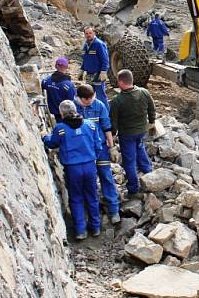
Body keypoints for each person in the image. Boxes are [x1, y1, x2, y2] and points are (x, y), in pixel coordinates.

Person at [43, 100, 101, 240]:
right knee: (92, 196)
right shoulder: (90, 125)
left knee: (76, 198)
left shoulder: (61, 128)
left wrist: (45, 136)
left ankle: (80, 230)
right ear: (76, 110)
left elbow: (52, 143)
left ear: (62, 114)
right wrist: (92, 158)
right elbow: (98, 146)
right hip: (89, 166)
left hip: (72, 168)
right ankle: (95, 227)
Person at [75, 84, 121, 224]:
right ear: (80, 98)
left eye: (92, 98)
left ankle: (114, 210)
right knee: (87, 180)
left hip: (100, 148)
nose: (90, 101)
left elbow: (107, 127)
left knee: (106, 176)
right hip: (83, 150)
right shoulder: (74, 107)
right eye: (87, 100)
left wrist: (112, 147)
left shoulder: (99, 105)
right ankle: (91, 213)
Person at [109, 69, 156, 196]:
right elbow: (152, 109)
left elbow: (113, 123)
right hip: (142, 130)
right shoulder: (144, 92)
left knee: (129, 161)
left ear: (121, 82)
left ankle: (133, 188)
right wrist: (152, 122)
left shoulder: (117, 101)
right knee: (140, 147)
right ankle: (149, 173)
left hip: (127, 134)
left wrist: (112, 137)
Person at [80, 26, 110, 107]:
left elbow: (105, 59)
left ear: (94, 33)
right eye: (86, 33)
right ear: (84, 35)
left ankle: (106, 115)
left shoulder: (99, 44)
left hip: (98, 75)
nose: (88, 35)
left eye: (90, 33)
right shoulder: (86, 45)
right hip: (89, 74)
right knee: (89, 95)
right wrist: (82, 70)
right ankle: (93, 112)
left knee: (101, 96)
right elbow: (85, 59)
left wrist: (104, 71)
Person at [41, 57, 77, 122]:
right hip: (66, 114)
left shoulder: (47, 80)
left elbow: (42, 85)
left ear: (55, 66)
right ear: (66, 67)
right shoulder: (69, 85)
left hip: (54, 110)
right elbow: (72, 100)